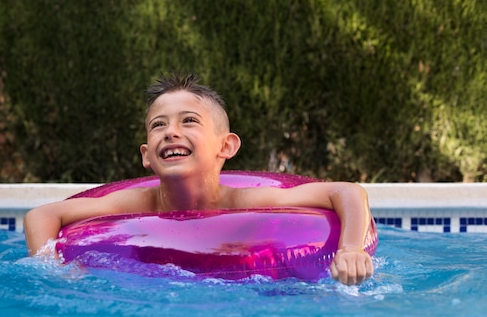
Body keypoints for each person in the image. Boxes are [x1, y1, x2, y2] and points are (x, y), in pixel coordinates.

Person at [24, 72, 374, 285]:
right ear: (146, 155)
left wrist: (350, 250)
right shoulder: (136, 204)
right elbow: (40, 215)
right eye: (158, 125)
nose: (171, 132)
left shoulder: (241, 202)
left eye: (188, 121)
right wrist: (51, 269)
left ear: (227, 146)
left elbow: (345, 192)